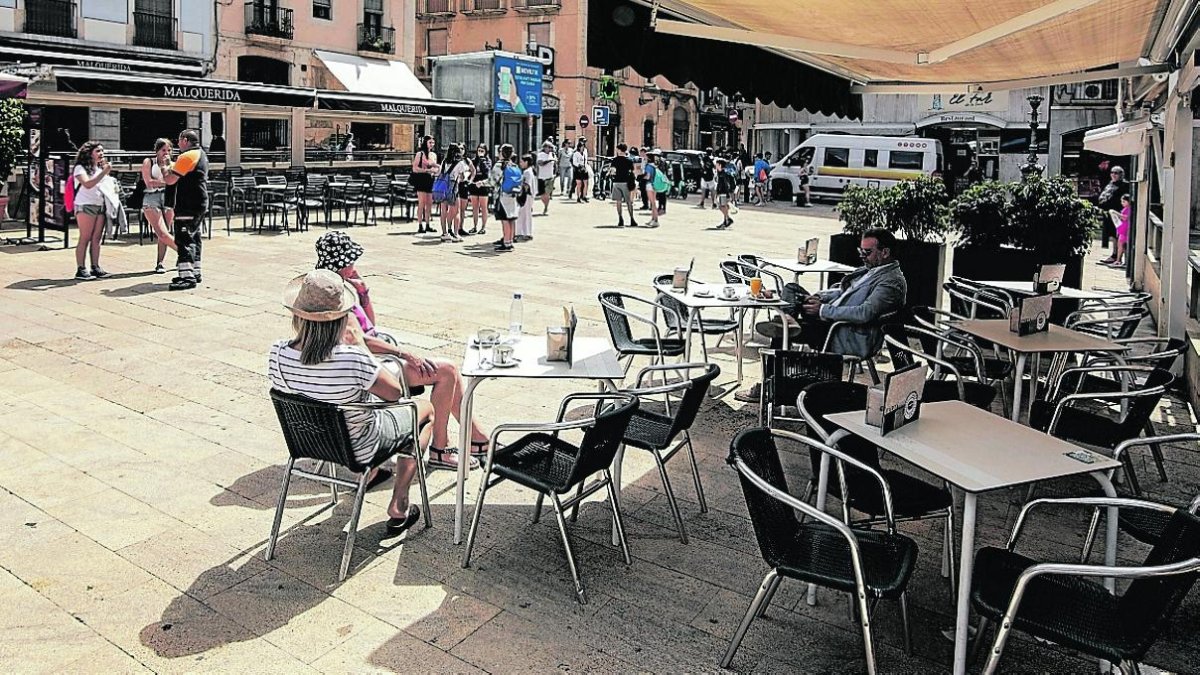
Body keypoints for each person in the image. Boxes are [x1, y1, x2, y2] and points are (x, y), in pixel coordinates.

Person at [269, 269, 430, 534]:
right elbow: (394, 395)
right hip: (359, 449)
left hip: (309, 443)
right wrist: (362, 349)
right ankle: (399, 502)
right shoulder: (351, 359)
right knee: (424, 411)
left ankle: (380, 476)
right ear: (341, 317)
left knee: (369, 414)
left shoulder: (277, 353)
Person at [313, 231, 487, 467]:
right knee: (446, 371)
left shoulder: (334, 286)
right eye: (351, 259)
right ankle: (442, 449)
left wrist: (363, 293)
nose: (355, 263)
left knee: (450, 371)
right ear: (342, 263)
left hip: (376, 357)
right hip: (373, 364)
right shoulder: (333, 295)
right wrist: (403, 353)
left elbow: (369, 326)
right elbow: (359, 339)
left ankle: (475, 438)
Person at [798, 228, 907, 357]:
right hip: (831, 320)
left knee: (784, 328)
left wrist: (823, 310)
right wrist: (819, 297)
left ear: (885, 252)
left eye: (867, 252)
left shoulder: (891, 282)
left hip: (842, 332)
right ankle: (789, 319)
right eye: (860, 251)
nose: (862, 256)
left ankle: (787, 324)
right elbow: (845, 291)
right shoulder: (871, 269)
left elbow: (864, 313)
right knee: (792, 290)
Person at [162, 130, 208, 291]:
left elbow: (170, 179)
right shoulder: (200, 154)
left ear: (185, 140)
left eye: (179, 140)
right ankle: (195, 271)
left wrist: (166, 166)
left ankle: (186, 277)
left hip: (188, 203)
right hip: (199, 201)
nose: (177, 144)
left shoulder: (187, 156)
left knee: (184, 238)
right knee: (194, 237)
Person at [70, 141, 113, 280]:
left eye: (102, 151)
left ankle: (95, 266)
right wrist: (104, 173)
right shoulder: (80, 168)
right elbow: (88, 184)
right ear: (89, 153)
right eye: (98, 151)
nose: (101, 154)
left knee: (97, 238)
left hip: (99, 205)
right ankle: (81, 268)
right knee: (85, 237)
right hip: (85, 205)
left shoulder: (99, 168)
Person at [141, 138, 177, 274]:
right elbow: (149, 182)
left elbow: (175, 181)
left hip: (168, 198)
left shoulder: (173, 164)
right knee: (161, 232)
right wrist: (167, 182)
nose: (166, 153)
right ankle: (185, 252)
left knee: (166, 232)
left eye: (169, 150)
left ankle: (160, 262)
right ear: (157, 151)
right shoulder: (149, 162)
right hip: (152, 198)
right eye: (163, 150)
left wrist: (167, 176)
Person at [491, 143, 521, 252]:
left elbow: (492, 181)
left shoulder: (499, 165)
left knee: (504, 220)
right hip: (513, 195)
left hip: (502, 196)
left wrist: (480, 183)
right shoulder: (514, 165)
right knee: (511, 218)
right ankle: (510, 241)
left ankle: (506, 243)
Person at [436, 144, 468, 243]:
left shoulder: (444, 162)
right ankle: (455, 234)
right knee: (456, 211)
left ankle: (445, 233)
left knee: (443, 211)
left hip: (442, 185)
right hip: (453, 186)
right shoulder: (460, 163)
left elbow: (439, 173)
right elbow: (462, 177)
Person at [1098, 165, 1130, 257]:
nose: (1113, 174)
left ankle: (1117, 256)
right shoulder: (1110, 184)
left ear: (1121, 174)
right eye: (1112, 172)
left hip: (1119, 213)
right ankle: (1114, 254)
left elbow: (1125, 199)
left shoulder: (1124, 185)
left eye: (1116, 173)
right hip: (1109, 213)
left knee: (1118, 235)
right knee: (1112, 234)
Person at [412, 135, 438, 234]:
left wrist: (435, 170)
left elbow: (436, 167)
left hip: (430, 179)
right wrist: (426, 170)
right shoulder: (420, 154)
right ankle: (420, 225)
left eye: (433, 142)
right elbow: (415, 168)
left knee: (429, 203)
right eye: (430, 142)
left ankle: (427, 224)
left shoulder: (433, 155)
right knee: (421, 203)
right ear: (425, 143)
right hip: (422, 179)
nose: (431, 144)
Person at [609, 143, 638, 228]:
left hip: (616, 182)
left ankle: (620, 219)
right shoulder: (629, 160)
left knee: (618, 201)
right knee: (629, 202)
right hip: (626, 182)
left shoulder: (615, 160)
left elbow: (613, 171)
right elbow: (633, 171)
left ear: (619, 150)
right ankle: (632, 219)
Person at [468, 144, 492, 235]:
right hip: (474, 184)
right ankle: (475, 226)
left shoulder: (488, 161)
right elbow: (471, 171)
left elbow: (487, 172)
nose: (480, 152)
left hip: (483, 185)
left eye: (482, 151)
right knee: (475, 207)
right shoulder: (474, 160)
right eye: (479, 150)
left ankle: (483, 227)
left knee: (483, 207)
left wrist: (483, 161)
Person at [453, 143, 473, 238]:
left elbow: (473, 171)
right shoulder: (454, 159)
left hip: (464, 184)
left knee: (462, 209)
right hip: (455, 184)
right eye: (459, 148)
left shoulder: (467, 160)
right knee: (455, 208)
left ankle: (461, 227)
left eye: (462, 148)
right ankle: (453, 228)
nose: (461, 150)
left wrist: (470, 180)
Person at [1106, 194, 1132, 267]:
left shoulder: (1129, 209)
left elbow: (1125, 218)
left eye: (1124, 202)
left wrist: (1116, 213)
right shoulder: (1126, 209)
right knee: (1120, 244)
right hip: (1122, 228)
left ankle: (1118, 260)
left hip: (1125, 228)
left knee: (1121, 245)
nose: (1122, 203)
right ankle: (1118, 260)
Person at [515, 153, 536, 242]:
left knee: (524, 214)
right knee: (525, 214)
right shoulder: (530, 171)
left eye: (522, 162)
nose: (520, 163)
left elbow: (526, 185)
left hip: (526, 195)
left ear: (526, 162)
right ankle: (525, 232)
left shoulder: (527, 172)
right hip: (529, 195)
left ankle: (524, 233)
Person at [643, 148, 664, 228]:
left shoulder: (648, 166)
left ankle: (655, 220)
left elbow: (648, 176)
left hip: (649, 185)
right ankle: (653, 219)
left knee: (653, 203)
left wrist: (641, 177)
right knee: (653, 202)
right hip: (654, 185)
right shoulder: (655, 165)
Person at [536, 139, 557, 215]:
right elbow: (540, 163)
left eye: (551, 147)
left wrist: (555, 173)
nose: (550, 149)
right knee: (542, 195)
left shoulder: (552, 154)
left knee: (547, 194)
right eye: (548, 147)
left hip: (550, 177)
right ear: (544, 147)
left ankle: (546, 207)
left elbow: (555, 164)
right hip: (541, 177)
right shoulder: (540, 155)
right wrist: (549, 161)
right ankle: (545, 204)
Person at [714, 157, 735, 229]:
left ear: (720, 165)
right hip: (721, 192)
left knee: (723, 206)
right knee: (721, 206)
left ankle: (727, 220)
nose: (715, 165)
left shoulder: (724, 173)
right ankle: (726, 219)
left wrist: (728, 194)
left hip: (724, 192)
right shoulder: (720, 172)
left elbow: (726, 184)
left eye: (716, 164)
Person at [571, 138, 590, 203]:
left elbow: (585, 160)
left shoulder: (584, 153)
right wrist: (579, 165)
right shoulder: (576, 153)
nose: (582, 148)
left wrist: (585, 167)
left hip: (584, 169)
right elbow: (574, 162)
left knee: (585, 183)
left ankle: (584, 196)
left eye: (583, 147)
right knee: (579, 184)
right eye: (581, 147)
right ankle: (578, 197)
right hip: (578, 170)